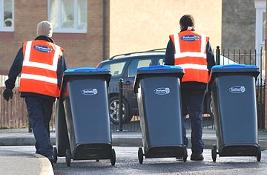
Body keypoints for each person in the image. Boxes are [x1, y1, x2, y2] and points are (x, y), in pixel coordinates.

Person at [3, 21, 66, 164]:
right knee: (43, 122)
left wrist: (9, 86)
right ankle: (45, 150)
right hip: (49, 94)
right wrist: (63, 95)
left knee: (38, 122)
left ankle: (44, 151)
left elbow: (15, 68)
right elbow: (62, 75)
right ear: (50, 34)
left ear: (38, 32)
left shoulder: (27, 47)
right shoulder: (57, 51)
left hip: (31, 91)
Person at [165, 15, 215, 161]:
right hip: (199, 82)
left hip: (180, 82)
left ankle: (181, 149)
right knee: (197, 117)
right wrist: (210, 84)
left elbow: (168, 64)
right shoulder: (204, 39)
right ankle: (197, 152)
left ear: (180, 25)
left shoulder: (174, 39)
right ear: (194, 25)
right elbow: (212, 63)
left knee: (179, 115)